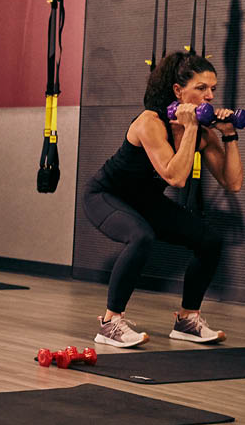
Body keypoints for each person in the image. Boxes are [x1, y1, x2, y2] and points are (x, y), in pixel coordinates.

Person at [83, 52, 242, 348]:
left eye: (213, 89)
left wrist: (230, 136)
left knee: (209, 240)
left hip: (145, 201)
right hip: (106, 195)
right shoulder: (149, 123)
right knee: (141, 236)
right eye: (201, 88)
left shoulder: (204, 133)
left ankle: (187, 319)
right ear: (178, 92)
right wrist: (191, 128)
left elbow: (232, 183)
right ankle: (109, 322)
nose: (209, 96)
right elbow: (176, 178)